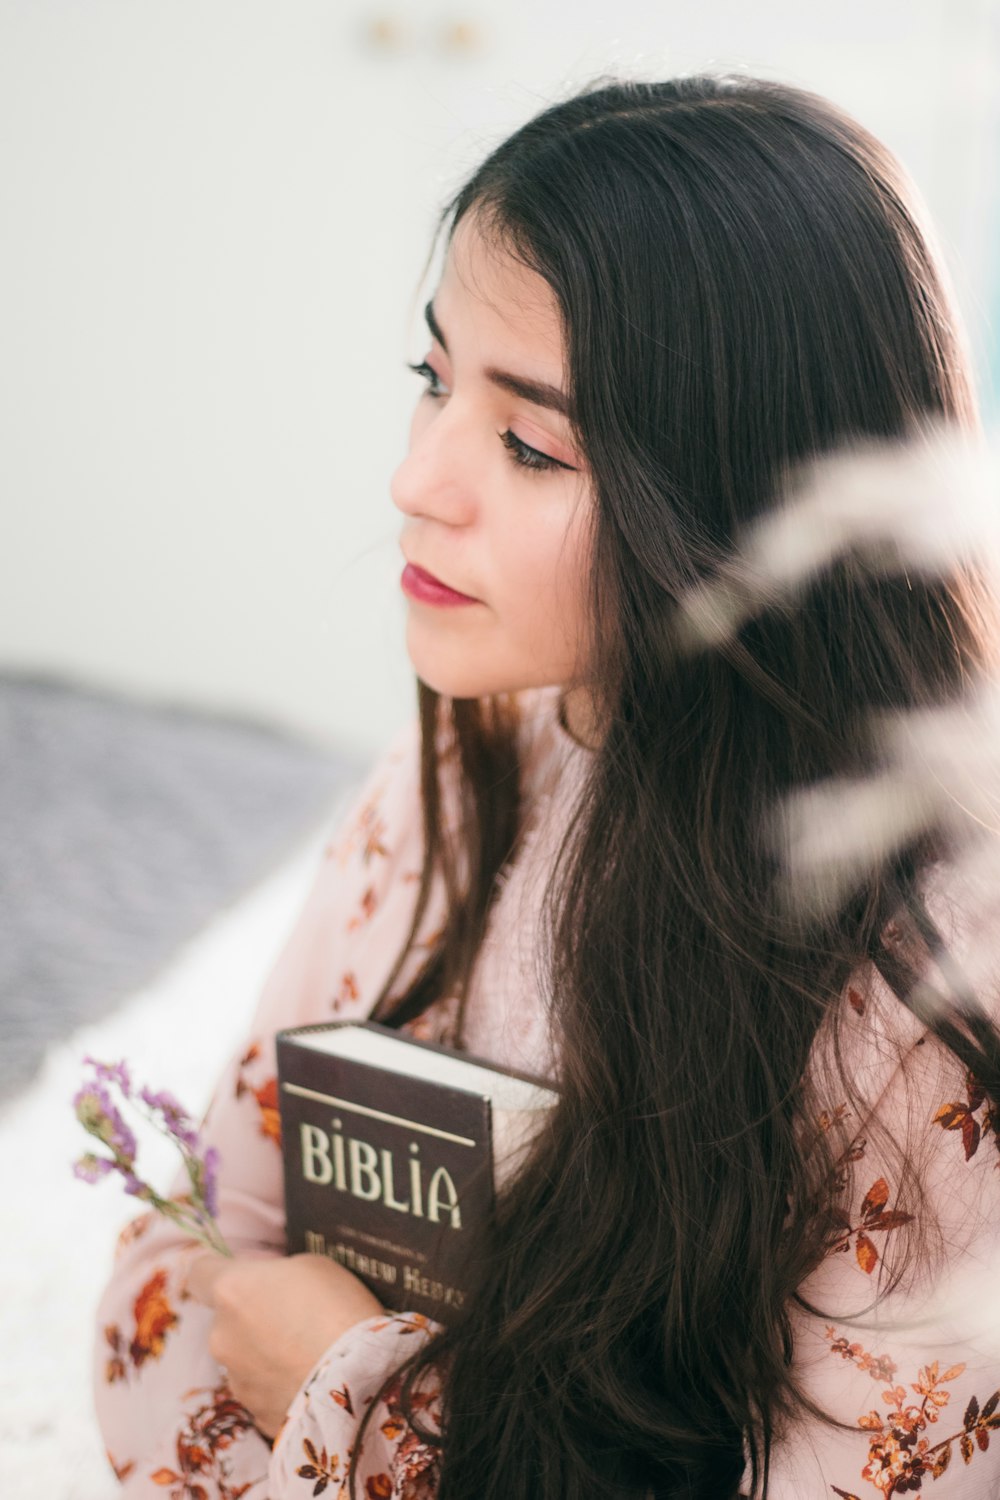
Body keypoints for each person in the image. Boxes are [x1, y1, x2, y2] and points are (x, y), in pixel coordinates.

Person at [92, 72, 1000, 1499]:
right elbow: (201, 1236)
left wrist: (366, 1407)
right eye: (432, 381)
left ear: (746, 513)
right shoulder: (479, 754)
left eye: (530, 443)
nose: (416, 479)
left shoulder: (923, 976)